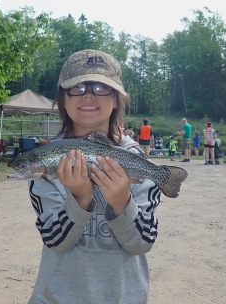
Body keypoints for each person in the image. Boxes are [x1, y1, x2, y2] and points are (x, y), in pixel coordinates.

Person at [26, 49, 160, 304]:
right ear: (62, 99)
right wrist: (79, 199)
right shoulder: (48, 160)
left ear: (117, 100)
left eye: (101, 87)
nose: (88, 93)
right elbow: (55, 241)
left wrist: (122, 202)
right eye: (76, 87)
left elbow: (141, 244)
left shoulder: (139, 163)